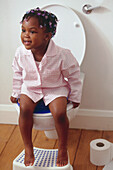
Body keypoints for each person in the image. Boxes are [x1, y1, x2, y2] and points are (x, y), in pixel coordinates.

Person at [10, 7, 82, 167]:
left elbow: (74, 75)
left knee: (60, 113)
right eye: (23, 30)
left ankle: (62, 148)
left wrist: (75, 96)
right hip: (30, 88)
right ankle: (28, 148)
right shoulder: (20, 53)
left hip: (55, 88)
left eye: (32, 31)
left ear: (47, 36)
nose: (26, 35)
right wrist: (16, 92)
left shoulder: (62, 54)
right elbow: (17, 73)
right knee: (24, 110)